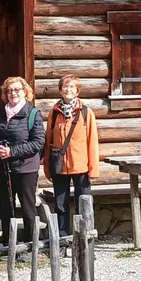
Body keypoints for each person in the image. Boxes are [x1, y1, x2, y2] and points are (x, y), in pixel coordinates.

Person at [0, 76, 45, 254]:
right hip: (4, 169)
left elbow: (38, 143)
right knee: (6, 206)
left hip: (26, 169)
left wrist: (12, 152)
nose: (13, 93)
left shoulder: (32, 114)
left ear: (25, 92)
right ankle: (9, 245)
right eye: (9, 91)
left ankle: (31, 247)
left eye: (17, 90)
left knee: (28, 208)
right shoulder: (1, 113)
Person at [44, 75, 100, 237]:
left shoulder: (86, 112)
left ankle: (85, 241)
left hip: (81, 167)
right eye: (65, 87)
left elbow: (92, 141)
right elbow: (49, 143)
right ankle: (62, 240)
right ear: (60, 90)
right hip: (60, 167)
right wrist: (48, 168)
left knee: (84, 204)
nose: (68, 90)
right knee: (61, 205)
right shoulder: (54, 114)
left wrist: (93, 170)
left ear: (77, 91)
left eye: (72, 87)